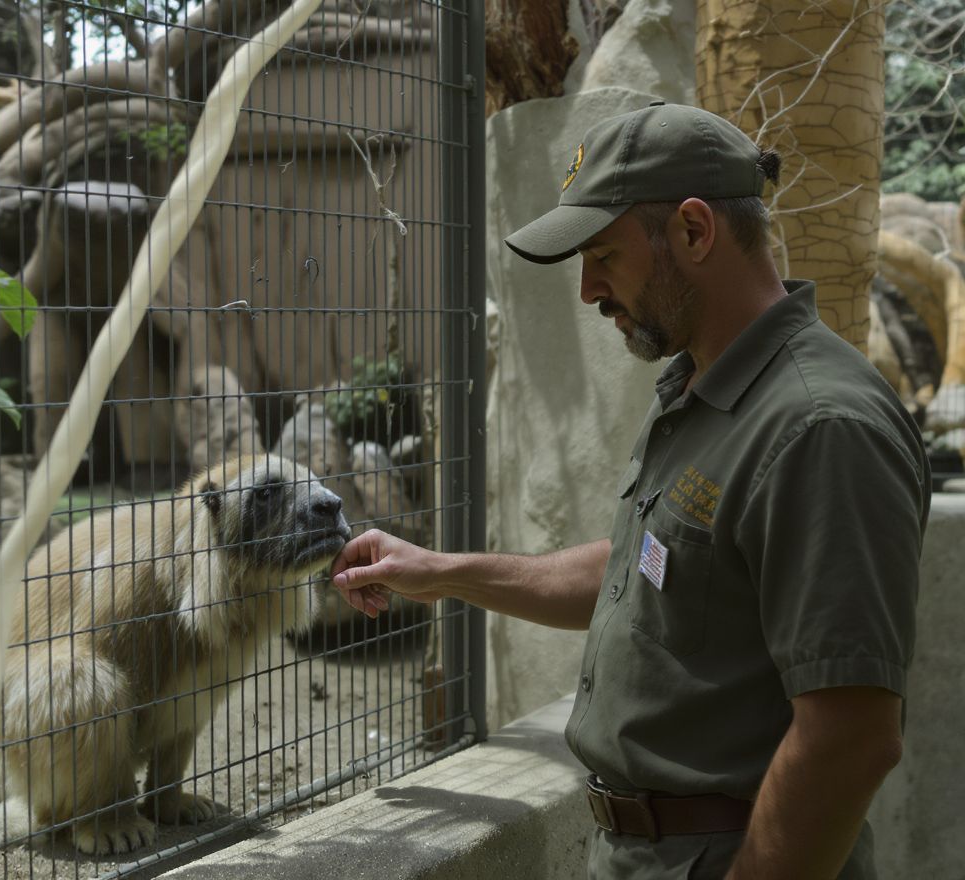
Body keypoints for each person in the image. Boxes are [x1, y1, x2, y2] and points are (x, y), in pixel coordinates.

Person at [330, 102, 931, 879]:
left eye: (604, 256)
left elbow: (850, 737)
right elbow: (640, 574)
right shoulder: (701, 389)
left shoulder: (819, 426)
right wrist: (439, 572)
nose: (588, 291)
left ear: (693, 230)